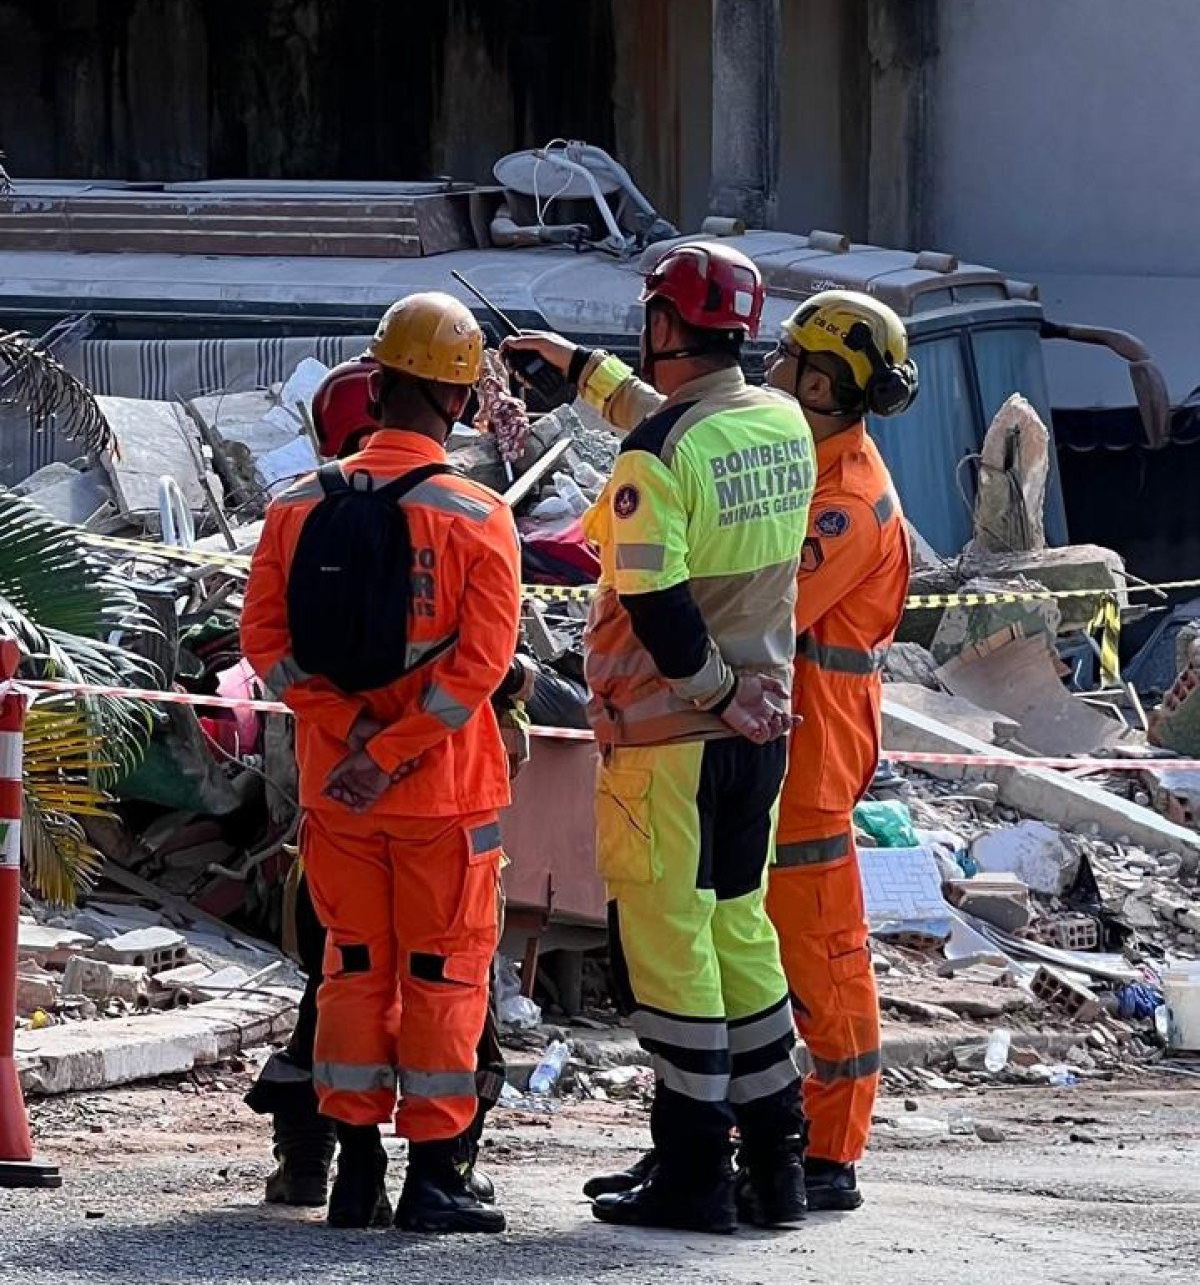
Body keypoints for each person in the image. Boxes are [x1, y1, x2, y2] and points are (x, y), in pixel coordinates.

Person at [502, 240, 817, 1235]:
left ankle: (693, 1174)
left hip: (671, 739)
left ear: (666, 325)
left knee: (673, 950)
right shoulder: (778, 422)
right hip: (758, 733)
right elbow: (681, 425)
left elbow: (652, 595)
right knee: (739, 931)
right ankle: (777, 1165)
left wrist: (713, 689)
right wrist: (587, 375)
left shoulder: (658, 456)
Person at [242, 296, 521, 1235]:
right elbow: (481, 668)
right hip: (443, 798)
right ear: (457, 393)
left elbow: (266, 647)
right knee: (442, 976)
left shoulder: (294, 506)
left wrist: (347, 739)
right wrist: (396, 750)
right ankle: (436, 1174)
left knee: (353, 971)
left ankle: (354, 1169)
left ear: (378, 380)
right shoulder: (479, 514)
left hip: (337, 794)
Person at [760, 289, 917, 1214]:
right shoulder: (808, 466)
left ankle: (829, 1150)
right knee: (765, 954)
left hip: (814, 756)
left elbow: (770, 605)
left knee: (821, 952)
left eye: (786, 359)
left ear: (822, 382)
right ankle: (777, 1137)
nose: (770, 370)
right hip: (784, 743)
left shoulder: (848, 503)